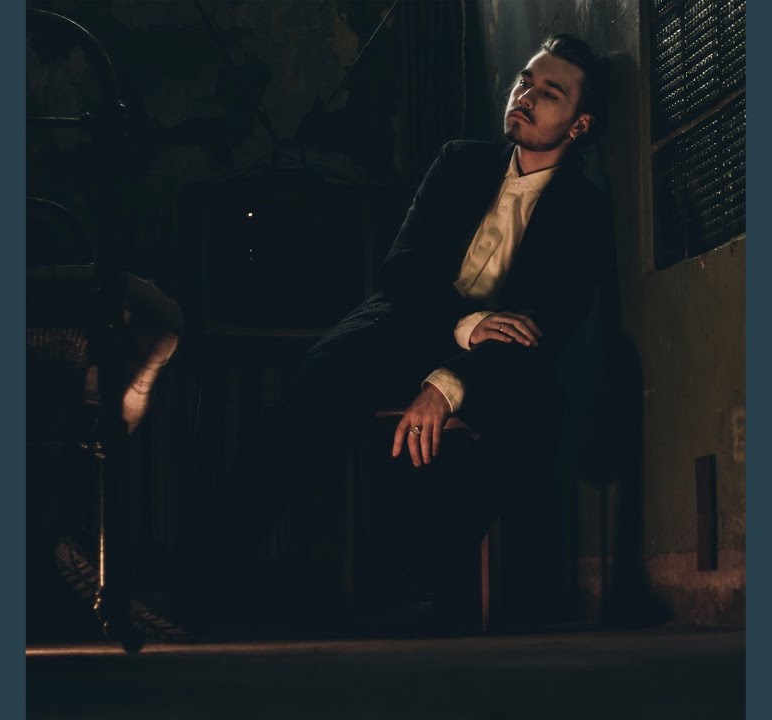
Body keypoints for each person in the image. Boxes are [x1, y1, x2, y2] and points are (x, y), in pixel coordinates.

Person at [165, 33, 618, 634]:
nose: (525, 97)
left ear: (580, 125)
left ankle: (410, 593)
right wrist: (464, 324)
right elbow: (403, 269)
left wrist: (448, 385)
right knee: (310, 394)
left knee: (537, 414)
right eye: (524, 82)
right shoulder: (459, 162)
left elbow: (544, 327)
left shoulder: (584, 211)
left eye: (549, 93)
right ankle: (188, 587)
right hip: (407, 325)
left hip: (496, 363)